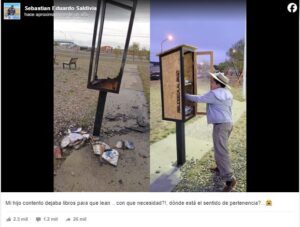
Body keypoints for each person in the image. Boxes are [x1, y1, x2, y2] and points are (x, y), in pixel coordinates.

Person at [185, 72, 236, 192]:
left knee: (221, 152)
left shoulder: (214, 94)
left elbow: (199, 98)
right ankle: (220, 168)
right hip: (228, 124)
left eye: (213, 82)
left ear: (218, 84)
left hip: (221, 126)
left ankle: (230, 180)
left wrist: (184, 95)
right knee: (220, 149)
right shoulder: (227, 93)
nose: (211, 83)